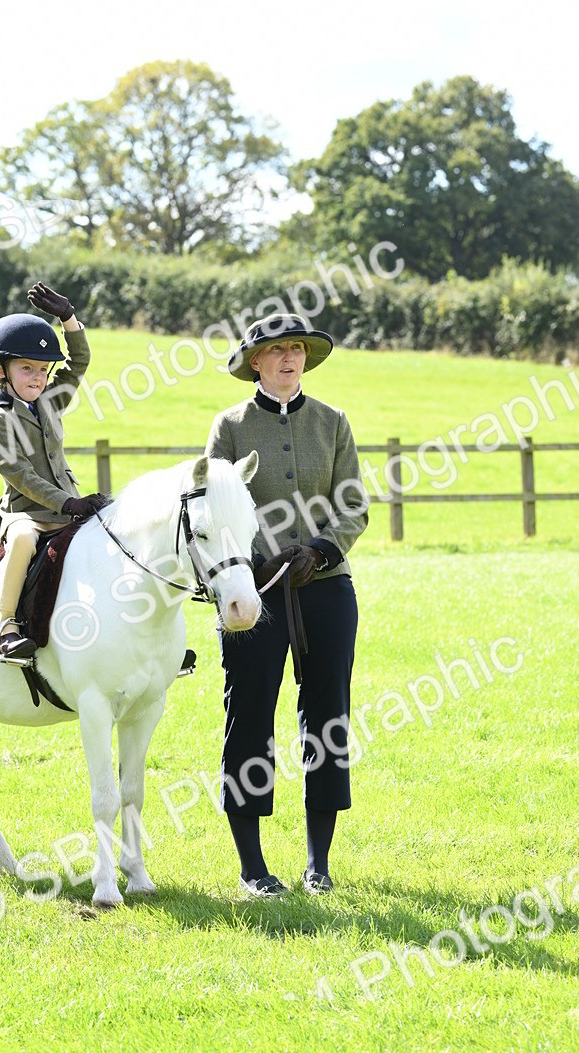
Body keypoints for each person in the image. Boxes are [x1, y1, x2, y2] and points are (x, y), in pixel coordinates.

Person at [205, 312, 369, 897]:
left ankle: (318, 865)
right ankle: (253, 868)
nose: (289, 357)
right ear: (256, 362)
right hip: (252, 592)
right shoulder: (229, 427)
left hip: (327, 588)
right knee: (249, 715)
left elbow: (354, 507)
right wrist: (257, 562)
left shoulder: (333, 422)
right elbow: (213, 508)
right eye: (276, 350)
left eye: (296, 348)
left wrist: (319, 552)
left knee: (328, 718)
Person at [0, 281, 107, 663]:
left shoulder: (49, 400)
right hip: (26, 512)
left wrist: (69, 319)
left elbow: (78, 362)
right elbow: (20, 475)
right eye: (27, 369)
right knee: (22, 541)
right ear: (1, 371)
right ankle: (6, 629)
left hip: (69, 505)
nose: (37, 377)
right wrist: (67, 503)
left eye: (43, 370)